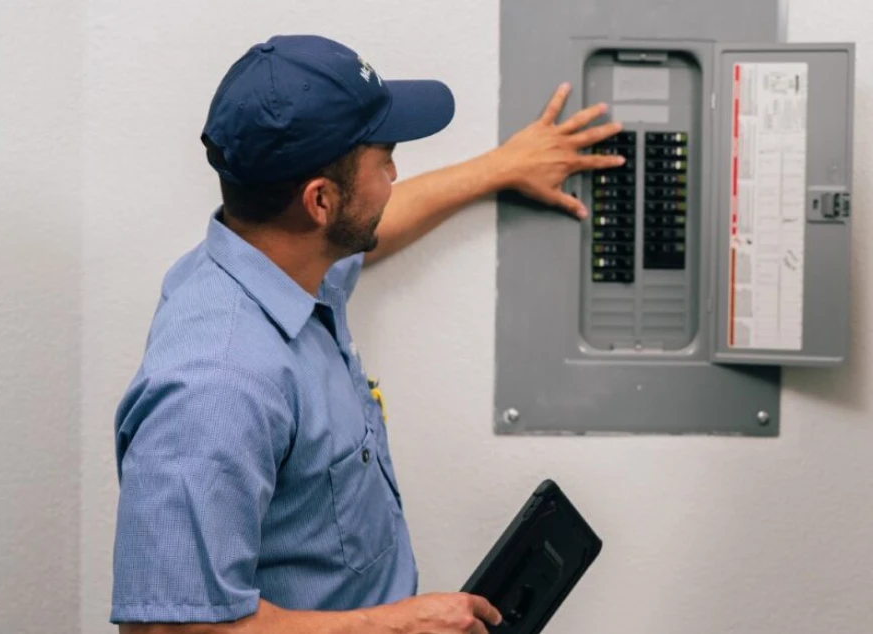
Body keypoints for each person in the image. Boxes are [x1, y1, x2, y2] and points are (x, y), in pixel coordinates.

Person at [110, 35, 624, 634]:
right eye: (383, 161)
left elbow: (379, 218)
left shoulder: (281, 262)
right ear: (320, 201)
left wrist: (502, 168)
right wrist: (393, 626)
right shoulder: (216, 382)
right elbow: (170, 630)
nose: (395, 174)